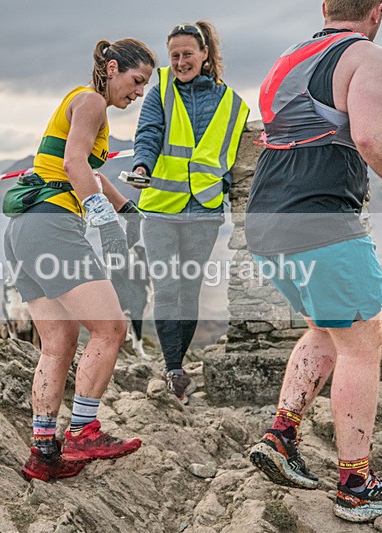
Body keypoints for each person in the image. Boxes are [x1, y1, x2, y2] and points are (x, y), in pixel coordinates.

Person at [244, 0, 382, 523]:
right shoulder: (369, 55)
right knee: (364, 339)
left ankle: (282, 438)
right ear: (377, 10)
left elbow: (313, 124)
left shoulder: (293, 55)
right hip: (321, 219)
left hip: (266, 219)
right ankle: (356, 484)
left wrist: (379, 117)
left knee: (327, 327)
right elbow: (368, 138)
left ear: (325, 7)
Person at [2, 38, 157, 482]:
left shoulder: (81, 102)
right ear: (112, 68)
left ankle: (44, 452)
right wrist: (105, 219)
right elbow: (73, 164)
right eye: (136, 80)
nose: (139, 92)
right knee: (110, 328)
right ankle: (85, 430)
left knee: (58, 342)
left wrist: (125, 207)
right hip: (53, 225)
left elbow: (85, 168)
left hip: (23, 230)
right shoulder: (91, 101)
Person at [131, 20, 248, 404]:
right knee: (166, 286)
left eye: (187, 54)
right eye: (175, 55)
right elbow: (148, 133)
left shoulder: (231, 103)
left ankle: (176, 363)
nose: (181, 62)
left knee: (189, 289)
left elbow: (231, 155)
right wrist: (143, 166)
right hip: (161, 206)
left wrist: (225, 187)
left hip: (204, 209)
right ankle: (173, 368)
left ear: (205, 55)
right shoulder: (160, 89)